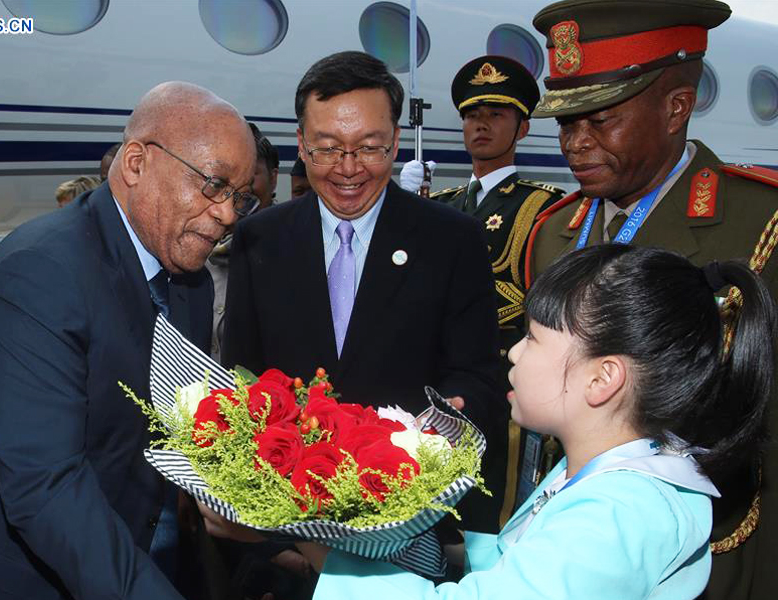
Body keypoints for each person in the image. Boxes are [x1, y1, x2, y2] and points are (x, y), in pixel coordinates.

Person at [0, 81, 258, 600]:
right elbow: (45, 486)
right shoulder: (43, 269)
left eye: (241, 198)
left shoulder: (188, 283)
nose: (226, 215)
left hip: (110, 556)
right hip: (4, 577)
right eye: (213, 185)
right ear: (136, 163)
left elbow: (178, 436)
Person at [255, 244, 773, 600]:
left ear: (602, 379)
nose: (514, 354)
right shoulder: (607, 471)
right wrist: (441, 541)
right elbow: (526, 565)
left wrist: (317, 548)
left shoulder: (619, 512)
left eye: (533, 338)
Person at [524, 1, 778, 597]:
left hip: (716, 549)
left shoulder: (759, 225)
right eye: (566, 122)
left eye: (601, 120)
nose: (575, 144)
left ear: (675, 108)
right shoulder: (553, 234)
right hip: (574, 546)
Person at [223, 51, 506, 533]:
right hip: (285, 518)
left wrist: (439, 434)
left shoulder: (451, 240)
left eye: (369, 147)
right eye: (328, 147)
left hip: (410, 512)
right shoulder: (259, 240)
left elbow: (478, 381)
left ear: (396, 142)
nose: (348, 168)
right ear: (302, 143)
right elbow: (241, 381)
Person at [402, 55, 566, 525]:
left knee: (490, 518)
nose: (481, 125)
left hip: (500, 385)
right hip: (435, 382)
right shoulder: (443, 204)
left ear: (523, 128)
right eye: (473, 114)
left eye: (497, 115)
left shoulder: (541, 207)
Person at [209, 122, 276, 363]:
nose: (236, 192)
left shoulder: (293, 250)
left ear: (273, 178)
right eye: (223, 181)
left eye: (249, 178)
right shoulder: (198, 250)